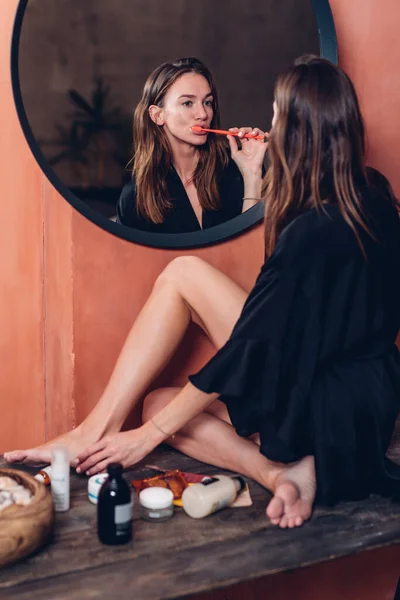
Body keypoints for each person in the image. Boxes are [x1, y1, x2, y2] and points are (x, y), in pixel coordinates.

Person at [5, 56, 400, 529]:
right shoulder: (373, 194)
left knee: (182, 275)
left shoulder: (309, 227)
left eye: (276, 114)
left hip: (319, 405)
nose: (267, 124)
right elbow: (279, 301)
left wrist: (146, 439)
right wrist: (256, 178)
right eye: (188, 102)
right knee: (156, 400)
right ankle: (281, 472)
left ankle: (91, 432)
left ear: (296, 127)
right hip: (371, 404)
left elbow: (251, 340)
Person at [116, 57, 267, 232]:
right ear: (157, 115)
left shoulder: (237, 169)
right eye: (188, 103)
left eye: (207, 102)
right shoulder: (135, 197)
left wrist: (252, 175)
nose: (203, 114)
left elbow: (257, 252)